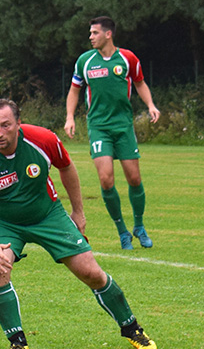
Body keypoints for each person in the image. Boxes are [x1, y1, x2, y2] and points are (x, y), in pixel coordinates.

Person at [0, 99, 156, 349]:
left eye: (6, 125)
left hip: (48, 215)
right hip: (2, 220)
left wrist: (78, 212)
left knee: (91, 272)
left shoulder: (43, 140)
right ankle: (18, 343)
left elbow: (66, 167)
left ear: (19, 124)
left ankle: (132, 328)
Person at [65, 16, 160, 250]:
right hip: (98, 127)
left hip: (123, 126)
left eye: (95, 33)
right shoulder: (85, 61)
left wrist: (150, 105)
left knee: (134, 178)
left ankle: (139, 226)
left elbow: (140, 83)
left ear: (108, 34)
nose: (90, 37)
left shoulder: (128, 58)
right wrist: (69, 117)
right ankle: (122, 232)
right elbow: (74, 90)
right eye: (90, 33)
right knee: (106, 180)